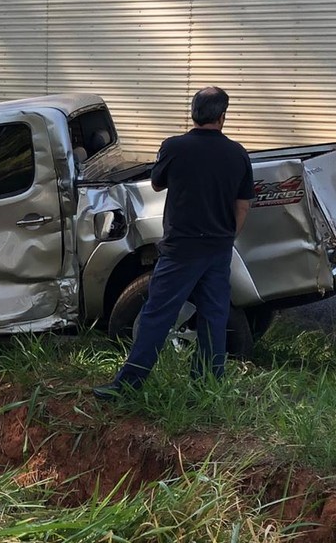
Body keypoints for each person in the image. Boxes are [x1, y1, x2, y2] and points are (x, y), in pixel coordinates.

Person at [93, 86, 254, 400]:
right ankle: (207, 385)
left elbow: (157, 181)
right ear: (223, 117)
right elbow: (243, 204)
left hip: (181, 247)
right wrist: (228, 235)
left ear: (194, 114)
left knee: (157, 312)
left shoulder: (174, 147)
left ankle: (128, 384)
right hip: (218, 248)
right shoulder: (238, 154)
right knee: (214, 316)